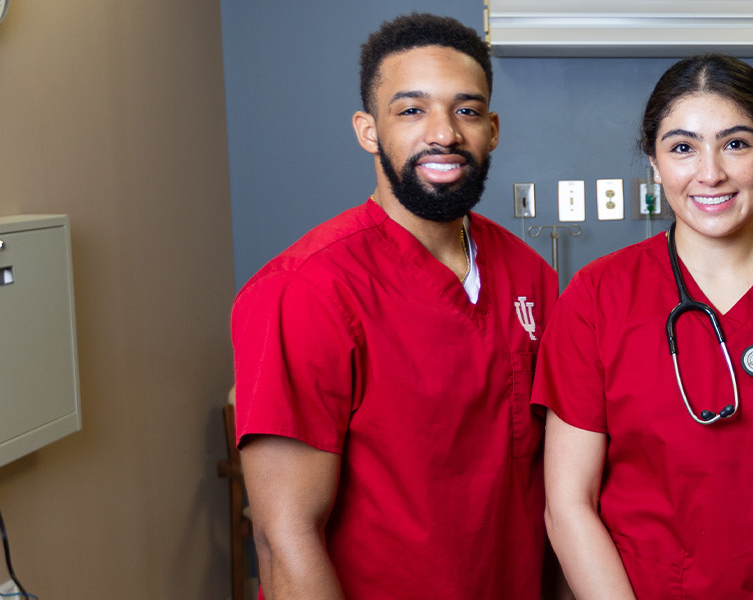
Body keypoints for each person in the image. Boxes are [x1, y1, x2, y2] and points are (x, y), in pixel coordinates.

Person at [230, 13, 557, 599]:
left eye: (467, 110)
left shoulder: (530, 276)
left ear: (493, 129)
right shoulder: (306, 289)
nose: (444, 133)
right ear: (367, 130)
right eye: (411, 110)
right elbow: (286, 538)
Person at [537, 54, 753, 599]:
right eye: (682, 147)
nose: (711, 172)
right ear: (653, 162)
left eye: (736, 144)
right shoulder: (597, 298)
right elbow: (568, 504)